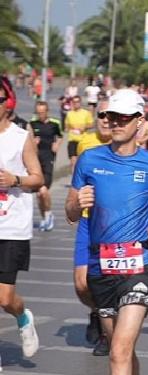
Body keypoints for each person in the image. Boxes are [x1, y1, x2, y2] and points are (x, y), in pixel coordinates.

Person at [65, 89, 148, 374]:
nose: (115, 123)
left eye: (122, 118)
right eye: (110, 117)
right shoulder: (89, 160)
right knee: (122, 348)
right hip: (100, 265)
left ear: (139, 121)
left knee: (118, 353)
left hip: (139, 264)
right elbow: (69, 213)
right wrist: (78, 204)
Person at [0, 76, 43, 361]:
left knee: (4, 299)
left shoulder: (19, 137)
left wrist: (14, 179)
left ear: (7, 103)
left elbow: (38, 178)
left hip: (11, 228)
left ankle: (23, 316)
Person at [74, 100, 114, 356]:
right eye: (102, 115)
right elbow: (75, 186)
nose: (107, 120)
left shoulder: (126, 146)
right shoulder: (85, 144)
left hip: (114, 224)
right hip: (89, 221)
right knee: (82, 284)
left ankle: (106, 333)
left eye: (112, 115)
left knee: (109, 283)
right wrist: (74, 205)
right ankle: (96, 312)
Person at [29, 101, 63, 231]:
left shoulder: (54, 123)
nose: (41, 114)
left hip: (49, 160)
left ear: (47, 111)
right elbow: (27, 140)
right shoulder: (32, 124)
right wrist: (33, 142)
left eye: (43, 112)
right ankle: (45, 218)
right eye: (38, 112)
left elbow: (60, 136)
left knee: (43, 191)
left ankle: (48, 216)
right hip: (35, 161)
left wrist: (57, 145)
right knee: (39, 193)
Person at [65, 95, 94, 172]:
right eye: (74, 102)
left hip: (83, 140)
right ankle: (74, 182)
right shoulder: (69, 114)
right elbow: (66, 126)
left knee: (81, 162)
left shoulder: (86, 113)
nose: (76, 103)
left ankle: (81, 179)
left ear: (80, 103)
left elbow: (91, 124)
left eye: (77, 102)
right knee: (73, 161)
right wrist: (71, 128)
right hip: (72, 140)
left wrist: (84, 127)